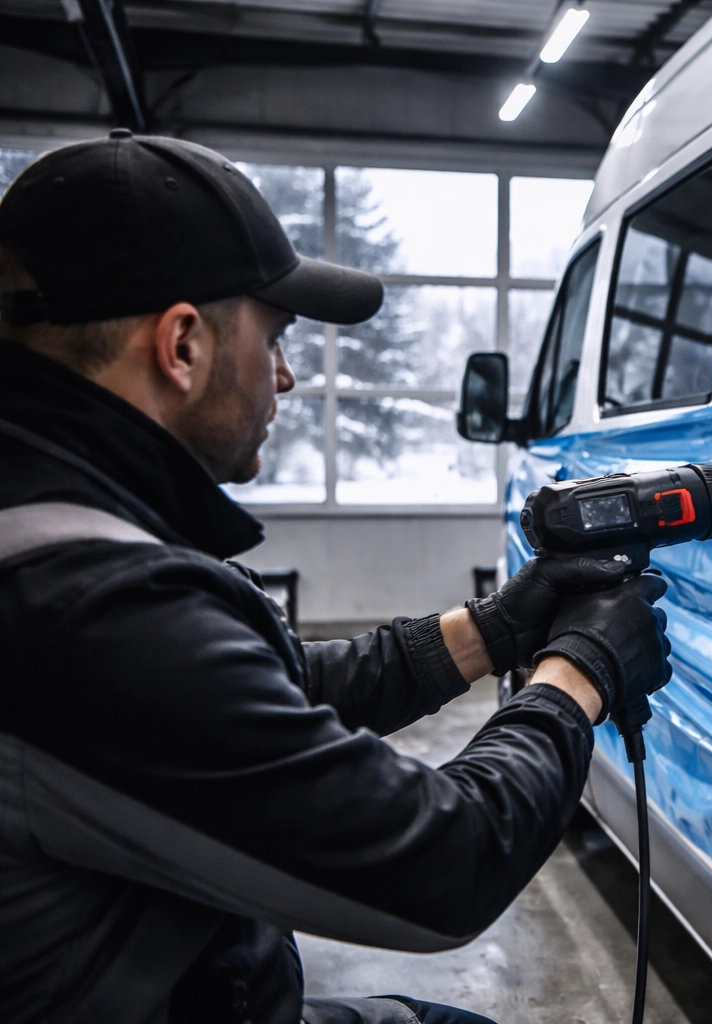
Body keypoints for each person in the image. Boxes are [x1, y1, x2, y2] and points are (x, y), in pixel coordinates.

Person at [0, 131, 672, 1024]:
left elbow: (262, 697)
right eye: (274, 339)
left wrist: (495, 629)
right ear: (182, 345)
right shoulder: (84, 610)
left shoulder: (61, 513)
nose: (284, 376)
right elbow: (444, 864)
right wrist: (578, 675)